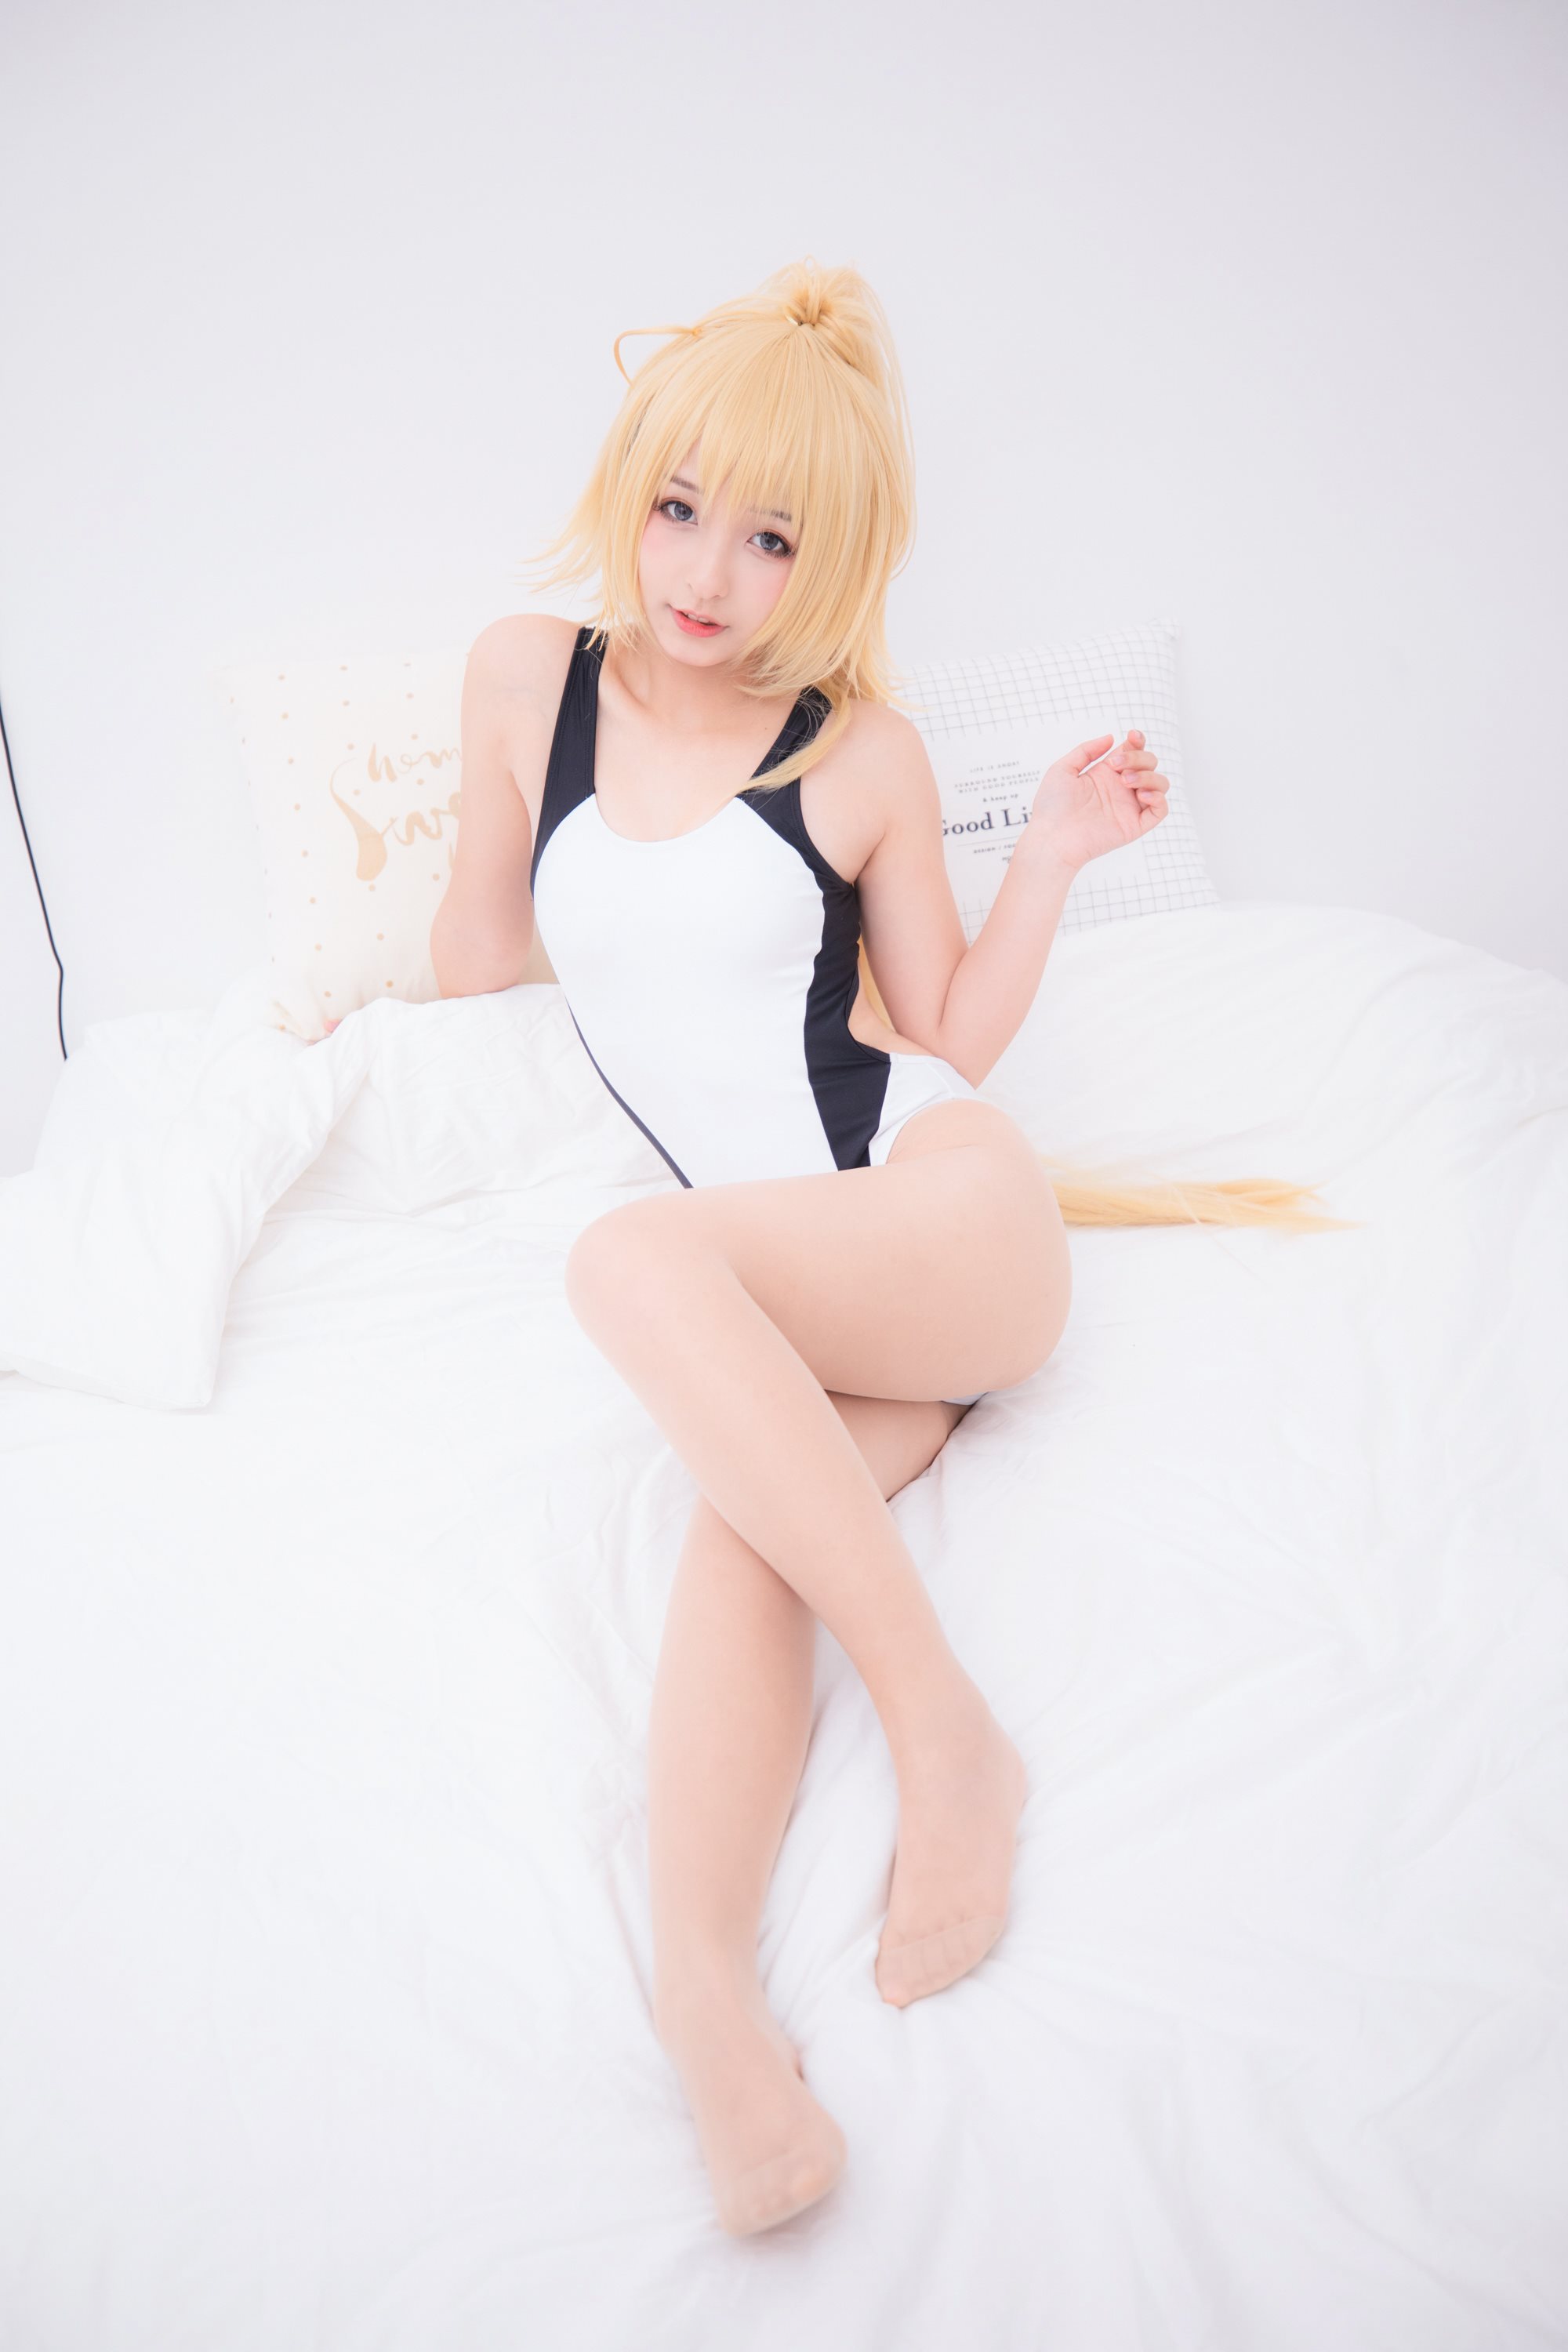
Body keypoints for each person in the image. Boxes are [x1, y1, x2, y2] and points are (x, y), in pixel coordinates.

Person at [425, 256, 1352, 2238]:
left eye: (773, 538)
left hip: (944, 1224)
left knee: (631, 1265)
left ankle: (948, 1735)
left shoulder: (856, 753)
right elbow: (478, 952)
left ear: (831, 560)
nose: (709, 572)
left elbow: (938, 1035)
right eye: (681, 506)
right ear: (625, 486)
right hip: (797, 1309)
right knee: (740, 1539)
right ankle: (710, 2015)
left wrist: (1054, 860)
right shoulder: (521, 681)